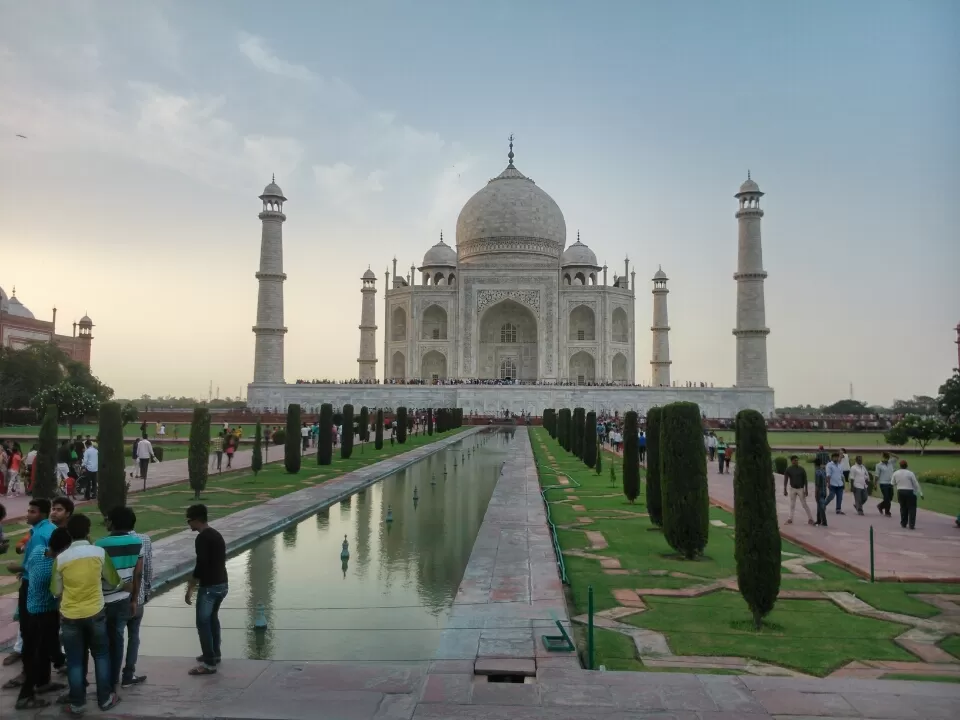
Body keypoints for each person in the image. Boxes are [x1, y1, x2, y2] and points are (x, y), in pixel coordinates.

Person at [52, 513, 123, 713]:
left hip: (70, 616)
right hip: (95, 612)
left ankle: (77, 704)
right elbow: (113, 580)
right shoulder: (99, 553)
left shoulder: (61, 559)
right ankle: (105, 699)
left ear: (69, 533)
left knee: (74, 660)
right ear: (88, 530)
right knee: (101, 655)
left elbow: (56, 591)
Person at [15, 527, 72, 709]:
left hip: (31, 610)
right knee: (38, 656)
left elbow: (27, 568)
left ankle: (43, 683)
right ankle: (25, 696)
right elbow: (58, 592)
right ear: (64, 548)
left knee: (43, 650)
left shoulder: (39, 552)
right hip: (44, 613)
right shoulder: (54, 567)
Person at [3, 499, 56, 691]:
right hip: (36, 583)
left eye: (32, 512)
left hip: (34, 585)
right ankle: (42, 680)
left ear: (42, 514)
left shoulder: (41, 534)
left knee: (31, 633)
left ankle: (28, 682)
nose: (28, 514)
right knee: (39, 634)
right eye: (28, 511)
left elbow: (40, 563)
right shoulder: (42, 531)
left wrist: (20, 568)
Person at [96, 506, 144, 693]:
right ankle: (114, 679)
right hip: (124, 598)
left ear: (113, 522)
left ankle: (106, 680)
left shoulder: (100, 544)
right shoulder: (137, 542)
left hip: (102, 600)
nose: (106, 522)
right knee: (117, 640)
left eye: (108, 519)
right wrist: (134, 600)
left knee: (102, 643)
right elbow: (137, 574)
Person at [185, 504, 228, 675]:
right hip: (222, 584)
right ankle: (214, 654)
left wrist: (190, 588)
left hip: (209, 586)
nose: (189, 525)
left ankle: (209, 664)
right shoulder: (216, 534)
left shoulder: (202, 538)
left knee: (202, 623)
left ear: (196, 519)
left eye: (189, 521)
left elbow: (201, 564)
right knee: (212, 619)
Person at [122, 510, 152, 688]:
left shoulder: (104, 542)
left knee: (114, 639)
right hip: (137, 597)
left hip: (114, 599)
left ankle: (110, 676)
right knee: (134, 636)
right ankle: (128, 675)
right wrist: (147, 590)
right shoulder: (144, 539)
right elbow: (146, 568)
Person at [892, 459, 923, 530]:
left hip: (900, 491)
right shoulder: (910, 473)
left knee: (903, 508)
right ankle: (911, 524)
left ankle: (903, 523)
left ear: (900, 466)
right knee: (912, 508)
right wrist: (920, 493)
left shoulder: (896, 473)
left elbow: (892, 483)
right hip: (909, 492)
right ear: (907, 466)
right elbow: (916, 483)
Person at [783, 455, 814, 525]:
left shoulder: (801, 469)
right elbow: (786, 479)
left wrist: (806, 490)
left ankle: (810, 518)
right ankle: (790, 519)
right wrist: (784, 489)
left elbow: (805, 480)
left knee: (804, 504)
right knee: (792, 504)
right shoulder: (789, 469)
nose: (796, 461)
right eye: (795, 460)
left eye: (797, 460)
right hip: (792, 488)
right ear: (792, 461)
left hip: (800, 488)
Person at [874, 453, 896, 517]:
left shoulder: (890, 462)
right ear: (882, 457)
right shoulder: (878, 465)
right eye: (885, 457)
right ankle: (887, 512)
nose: (886, 459)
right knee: (886, 498)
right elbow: (877, 475)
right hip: (883, 483)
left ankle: (880, 506)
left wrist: (891, 453)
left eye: (887, 458)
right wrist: (875, 484)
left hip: (890, 483)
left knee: (890, 497)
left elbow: (897, 457)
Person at [813, 457, 828, 527]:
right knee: (819, 506)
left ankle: (824, 521)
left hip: (820, 491)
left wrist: (816, 494)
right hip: (824, 490)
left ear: (815, 465)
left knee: (821, 506)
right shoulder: (824, 471)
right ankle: (818, 520)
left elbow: (817, 485)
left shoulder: (817, 472)